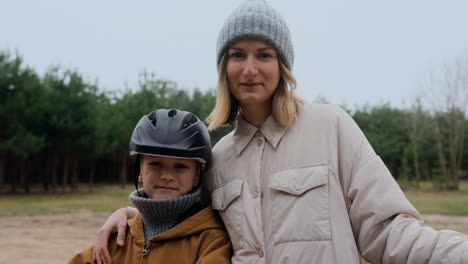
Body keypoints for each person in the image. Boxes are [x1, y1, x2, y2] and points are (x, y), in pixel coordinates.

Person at [93, 0, 468, 263]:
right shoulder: (219, 158)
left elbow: (389, 233)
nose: (250, 69)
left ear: (283, 65)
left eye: (264, 55)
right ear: (224, 67)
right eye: (237, 55)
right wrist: (130, 215)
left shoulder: (330, 126)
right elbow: (184, 222)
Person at [70, 109, 231, 264]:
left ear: (197, 176)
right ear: (140, 171)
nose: (167, 176)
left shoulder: (211, 243)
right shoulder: (119, 237)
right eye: (155, 163)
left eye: (180, 166)